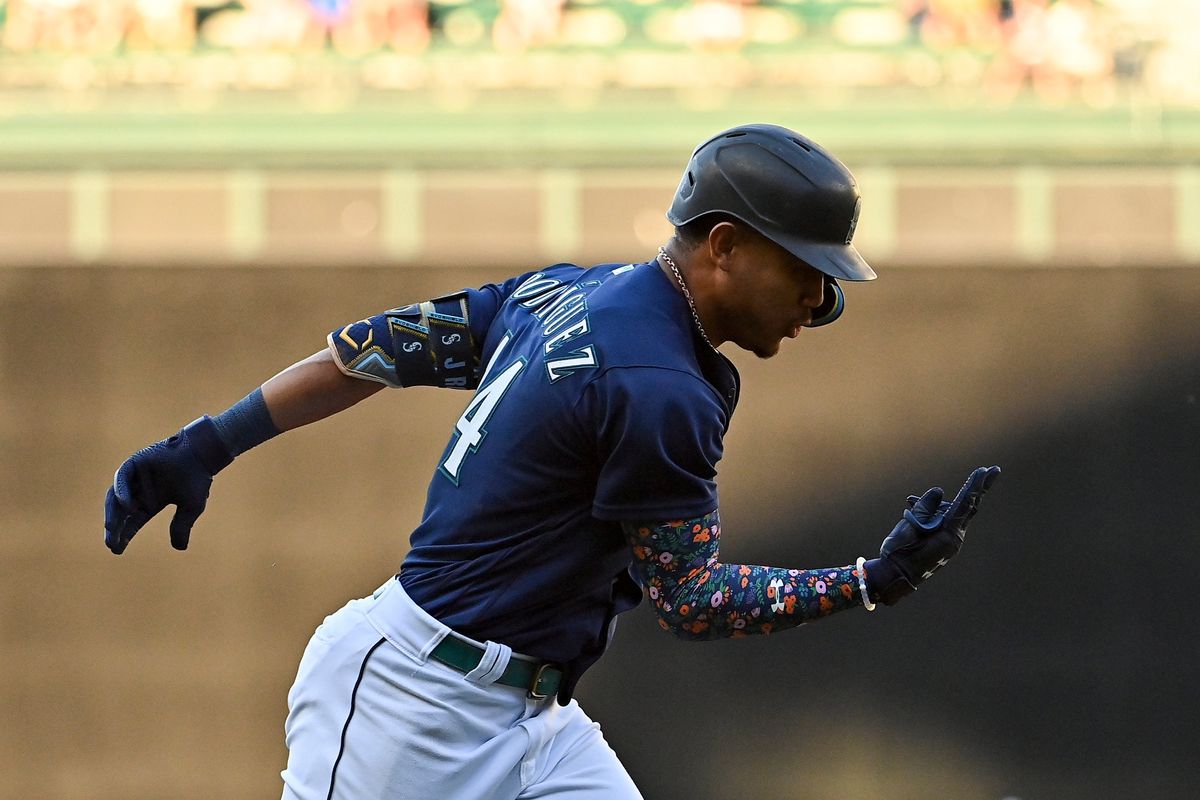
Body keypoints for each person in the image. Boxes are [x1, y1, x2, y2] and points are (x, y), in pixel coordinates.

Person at [103, 123, 1000, 799]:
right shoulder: (660, 387)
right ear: (724, 245)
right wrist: (868, 580)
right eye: (804, 265)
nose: (820, 294)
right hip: (409, 709)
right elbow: (691, 602)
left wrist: (206, 443)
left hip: (532, 720)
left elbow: (372, 352)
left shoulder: (566, 289)